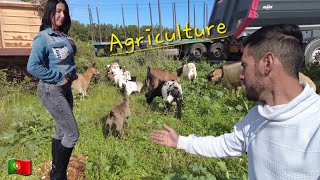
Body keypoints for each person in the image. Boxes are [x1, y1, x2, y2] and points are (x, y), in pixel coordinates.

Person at [150, 24, 320, 179]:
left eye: (244, 66)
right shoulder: (257, 117)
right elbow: (224, 144)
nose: (240, 75)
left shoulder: (315, 124)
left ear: (267, 64)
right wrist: (180, 141)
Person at [27, 0, 78, 179]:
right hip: (51, 90)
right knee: (72, 134)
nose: (62, 15)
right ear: (50, 12)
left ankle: (55, 167)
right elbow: (32, 66)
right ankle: (58, 175)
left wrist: (73, 73)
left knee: (61, 131)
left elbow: (66, 61)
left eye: (64, 12)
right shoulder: (43, 38)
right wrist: (58, 77)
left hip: (65, 89)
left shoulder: (62, 36)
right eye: (58, 11)